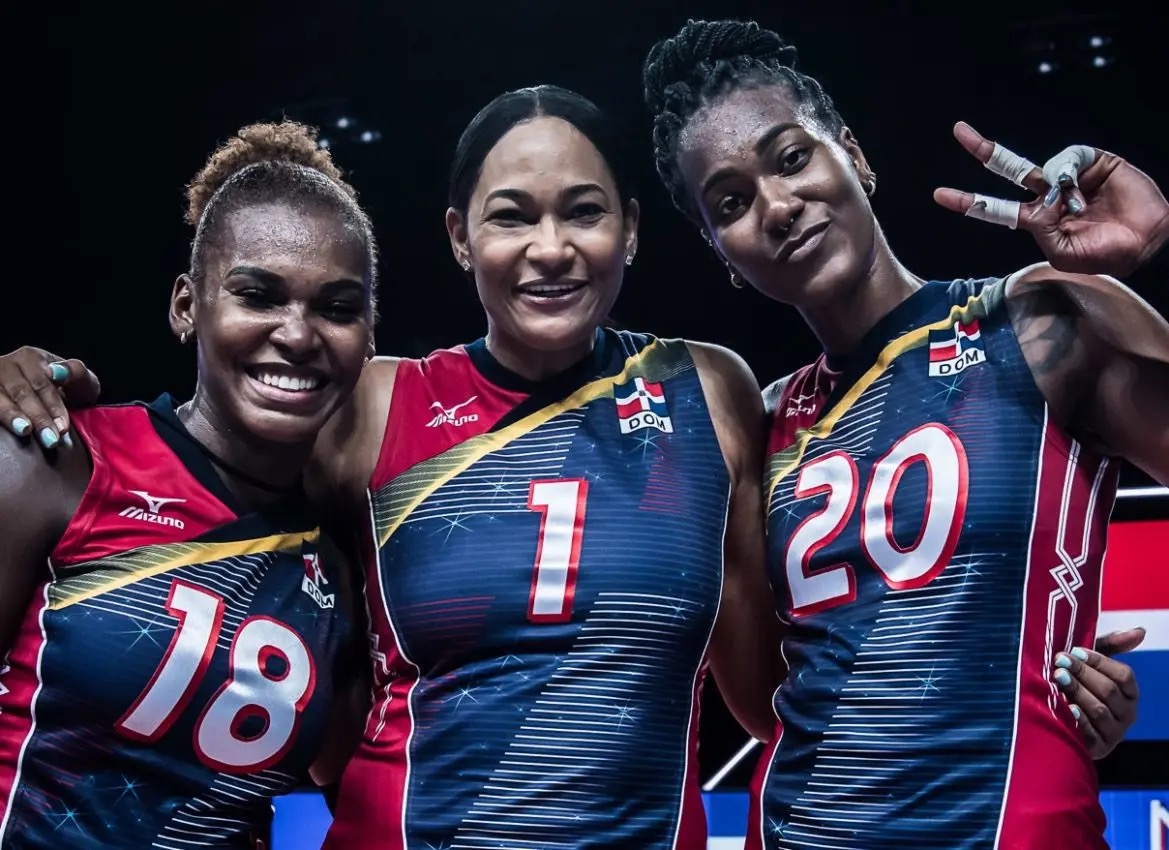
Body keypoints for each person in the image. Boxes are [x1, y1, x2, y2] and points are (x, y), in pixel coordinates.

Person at [0, 87, 1146, 848]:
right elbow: (199, 472)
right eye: (511, 217)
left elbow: (774, 693)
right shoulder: (370, 403)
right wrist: (34, 379)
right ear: (460, 237)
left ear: (630, 231)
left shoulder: (710, 391)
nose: (548, 248)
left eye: (582, 213)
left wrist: (1027, 688)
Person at [642, 18, 1169, 850]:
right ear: (720, 253)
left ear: (852, 154)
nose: (777, 207)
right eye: (732, 204)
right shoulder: (756, 428)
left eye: (792, 158)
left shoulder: (1039, 321)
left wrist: (1155, 248)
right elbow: (768, 701)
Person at [0, 120, 376, 848]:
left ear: (368, 337)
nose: (298, 334)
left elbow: (346, 775)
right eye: (257, 295)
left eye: (337, 308)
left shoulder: (339, 564)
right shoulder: (60, 461)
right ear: (186, 306)